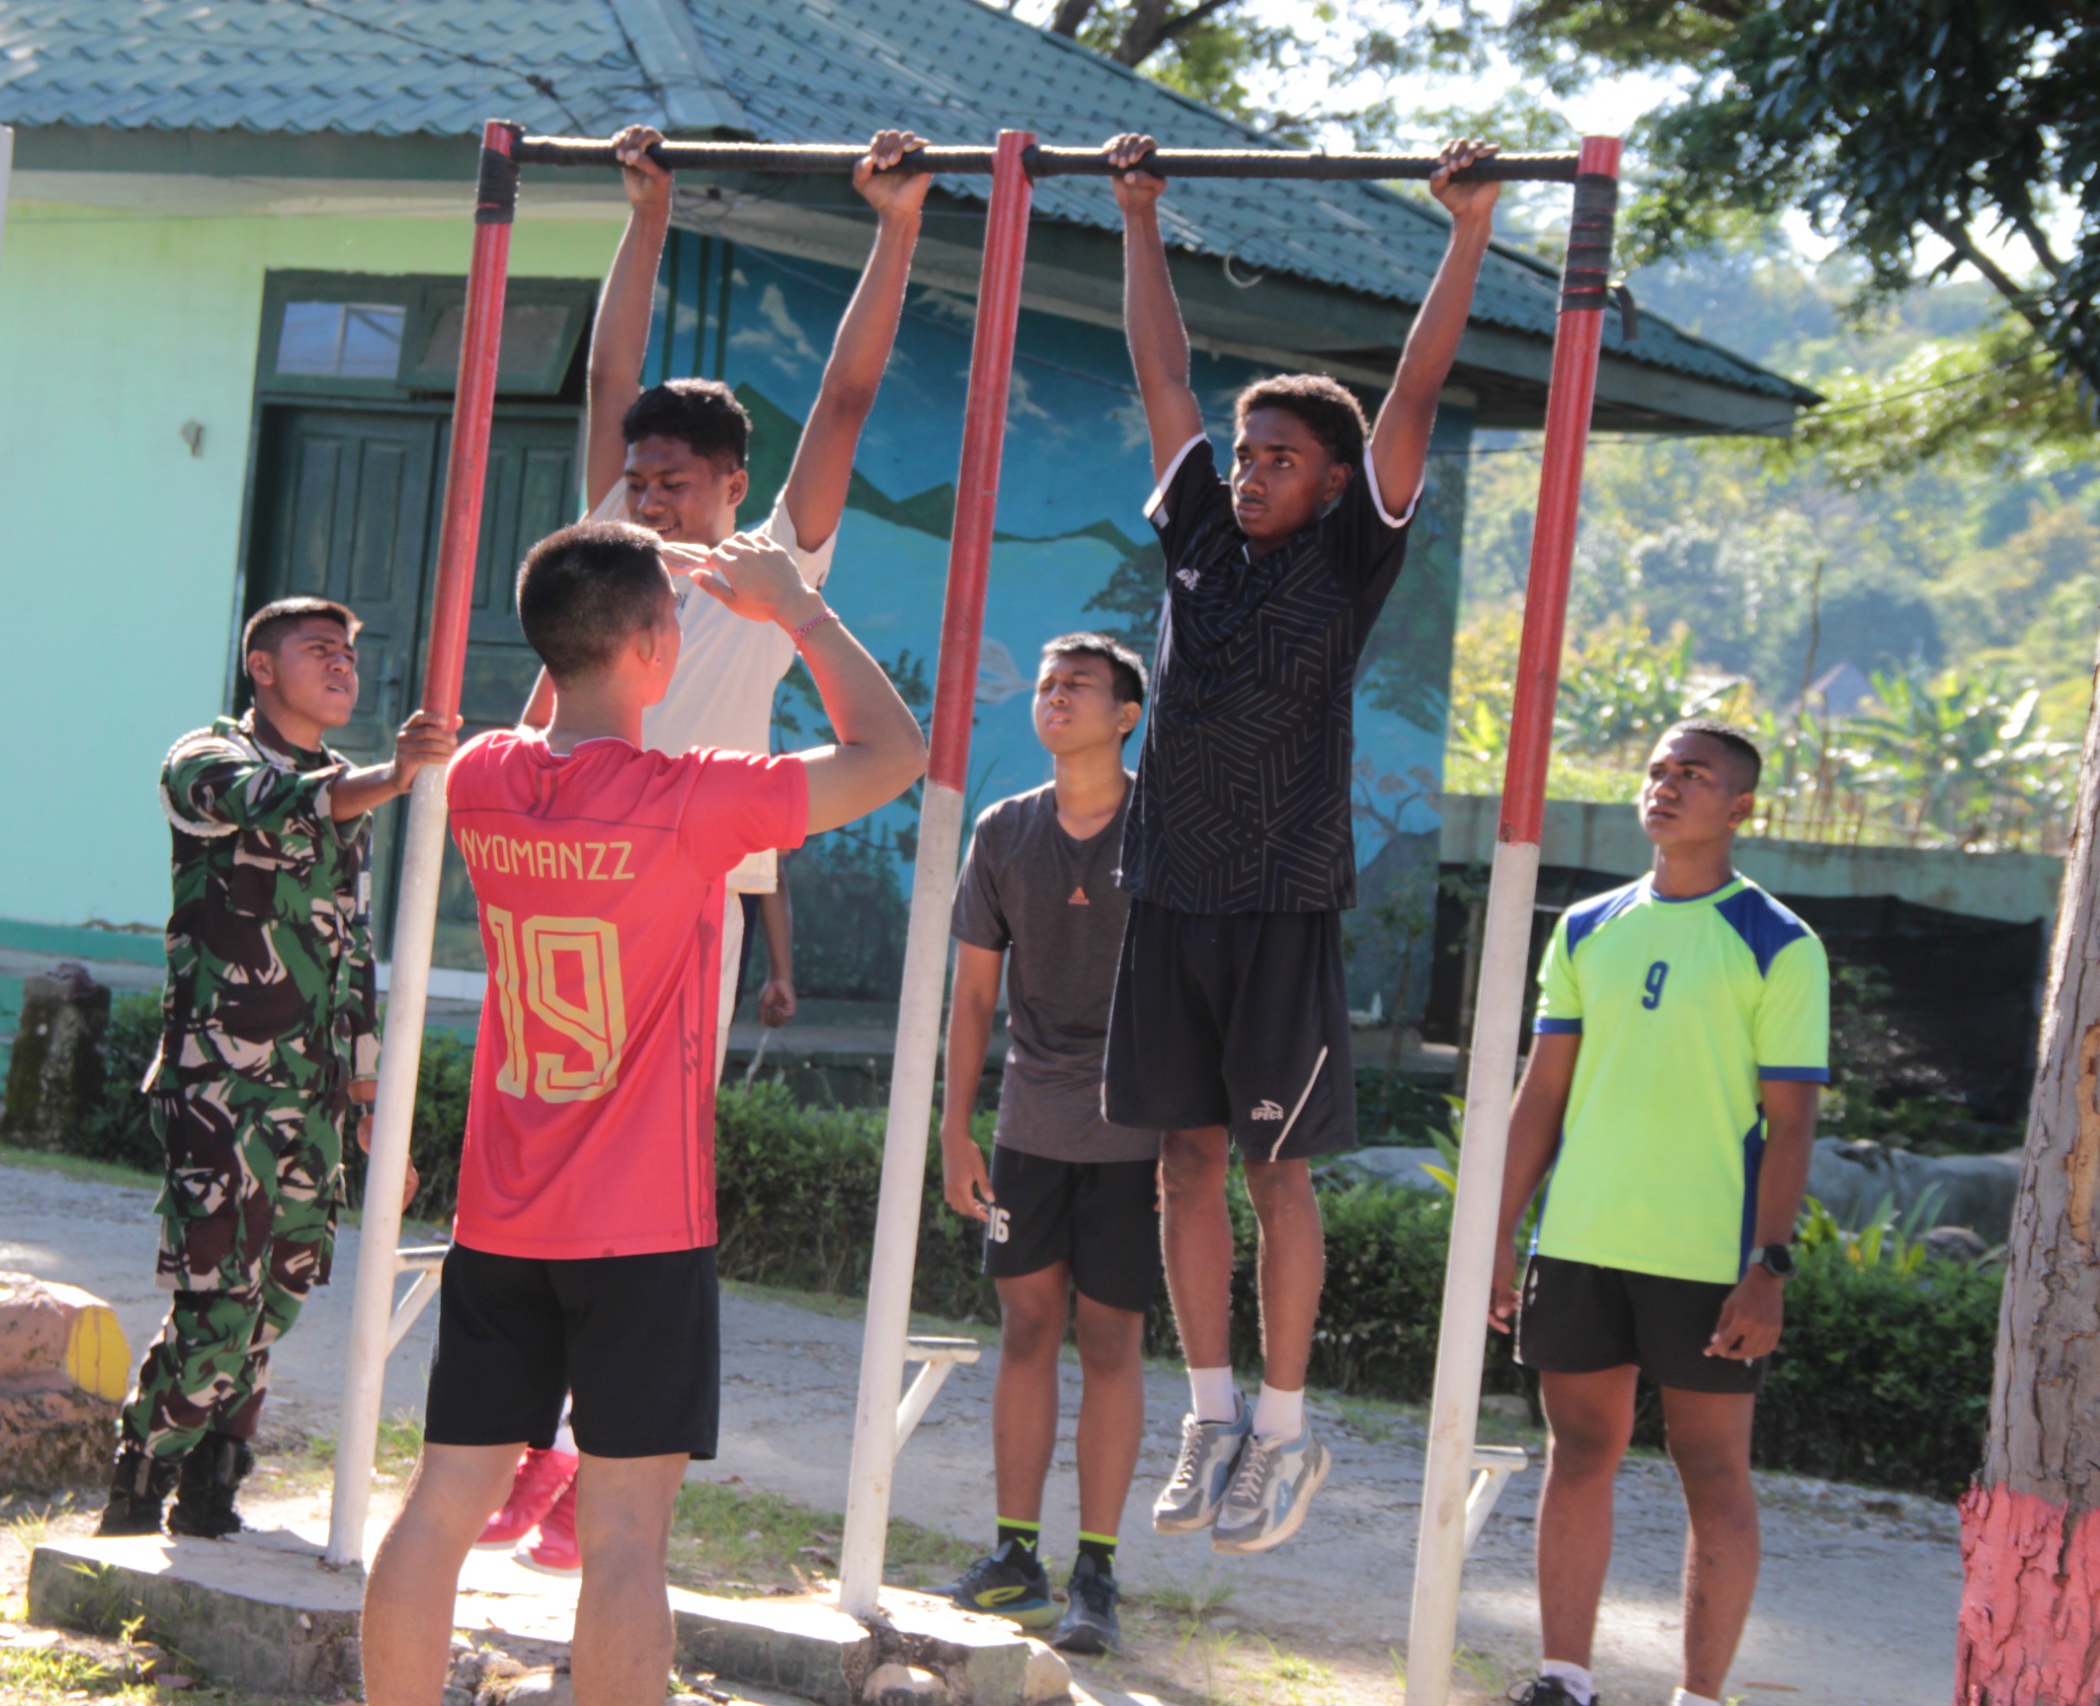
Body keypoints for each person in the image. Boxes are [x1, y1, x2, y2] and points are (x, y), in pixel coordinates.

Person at [361, 521, 925, 1706]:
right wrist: (791, 608)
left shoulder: (479, 780)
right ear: (659, 641)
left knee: (438, 1504)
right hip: (641, 1227)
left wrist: (597, 566)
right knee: (624, 1534)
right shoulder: (690, 801)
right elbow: (892, 751)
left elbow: (542, 711)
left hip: (501, 1218)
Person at [484, 119, 929, 1566]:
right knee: (541, 1138)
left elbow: (852, 394)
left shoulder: (772, 560)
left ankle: (581, 1448)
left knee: (636, 1167)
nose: (654, 497)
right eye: (641, 477)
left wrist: (900, 225)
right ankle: (531, 1445)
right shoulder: (611, 551)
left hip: (691, 874)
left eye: (679, 479)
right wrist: (646, 212)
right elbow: (614, 376)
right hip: (572, 867)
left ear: (733, 483)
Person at [1101, 132, 1502, 1554]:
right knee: (1183, 1161)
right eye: (1251, 449)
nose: (1257, 467)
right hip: (1169, 890)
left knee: (1279, 1171)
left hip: (1282, 897)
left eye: (1283, 455)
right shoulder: (1199, 531)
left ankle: (1284, 1425)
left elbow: (1414, 389)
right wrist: (1139, 212)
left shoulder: (1350, 549)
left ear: (1337, 482)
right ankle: (1208, 1411)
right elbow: (1162, 377)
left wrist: (1468, 229)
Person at [99, 596, 457, 1539]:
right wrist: (394, 775)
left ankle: (215, 1485)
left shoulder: (351, 789)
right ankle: (140, 1481)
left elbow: (351, 953)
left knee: (277, 1301)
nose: (341, 666)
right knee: (218, 1301)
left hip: (315, 1093)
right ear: (262, 668)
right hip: (222, 1087)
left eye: (349, 653)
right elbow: (272, 803)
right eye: (317, 651)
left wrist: (373, 1102)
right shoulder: (206, 762)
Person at [1491, 721, 1828, 1706]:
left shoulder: (1779, 941)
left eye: (1693, 774)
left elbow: (1792, 1121)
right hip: (1581, 1239)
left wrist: (1766, 1265)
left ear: (1740, 808)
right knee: (1578, 1452)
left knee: (1711, 1469)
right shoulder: (1586, 924)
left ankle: (1697, 1693)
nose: (1667, 785)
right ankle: (1562, 1677)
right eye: (1656, 769)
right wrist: (1497, 1236)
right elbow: (1538, 1098)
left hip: (1705, 1257)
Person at [935, 634, 1160, 1655]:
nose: (1056, 694)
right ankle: (1015, 1555)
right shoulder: (1004, 831)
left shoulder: (1166, 829)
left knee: (1110, 1340)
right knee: (1026, 1330)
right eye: (1045, 682)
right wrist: (954, 1127)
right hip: (1029, 1122)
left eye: (1080, 684)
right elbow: (973, 992)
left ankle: (1096, 1573)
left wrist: (1193, 1153)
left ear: (1127, 714)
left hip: (1138, 1131)